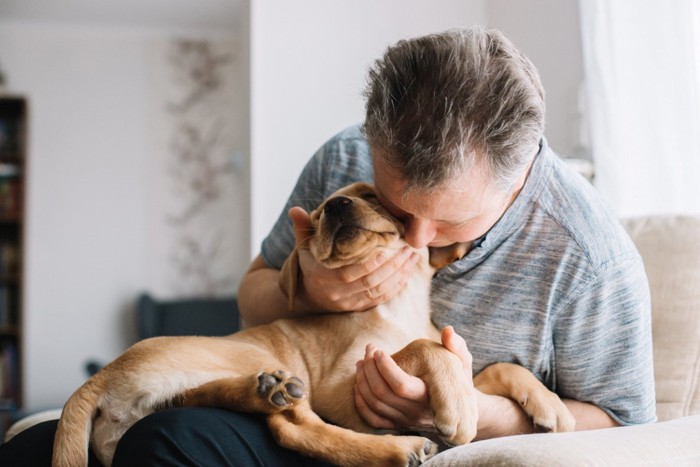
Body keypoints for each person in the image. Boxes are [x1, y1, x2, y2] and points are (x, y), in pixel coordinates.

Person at [0, 26, 655, 466]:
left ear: (520, 175)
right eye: (396, 208)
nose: (416, 243)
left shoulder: (592, 260)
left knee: (163, 444)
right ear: (373, 144)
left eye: (451, 227)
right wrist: (307, 285)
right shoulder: (343, 161)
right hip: (298, 398)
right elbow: (253, 297)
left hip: (437, 439)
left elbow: (631, 436)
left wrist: (478, 410)